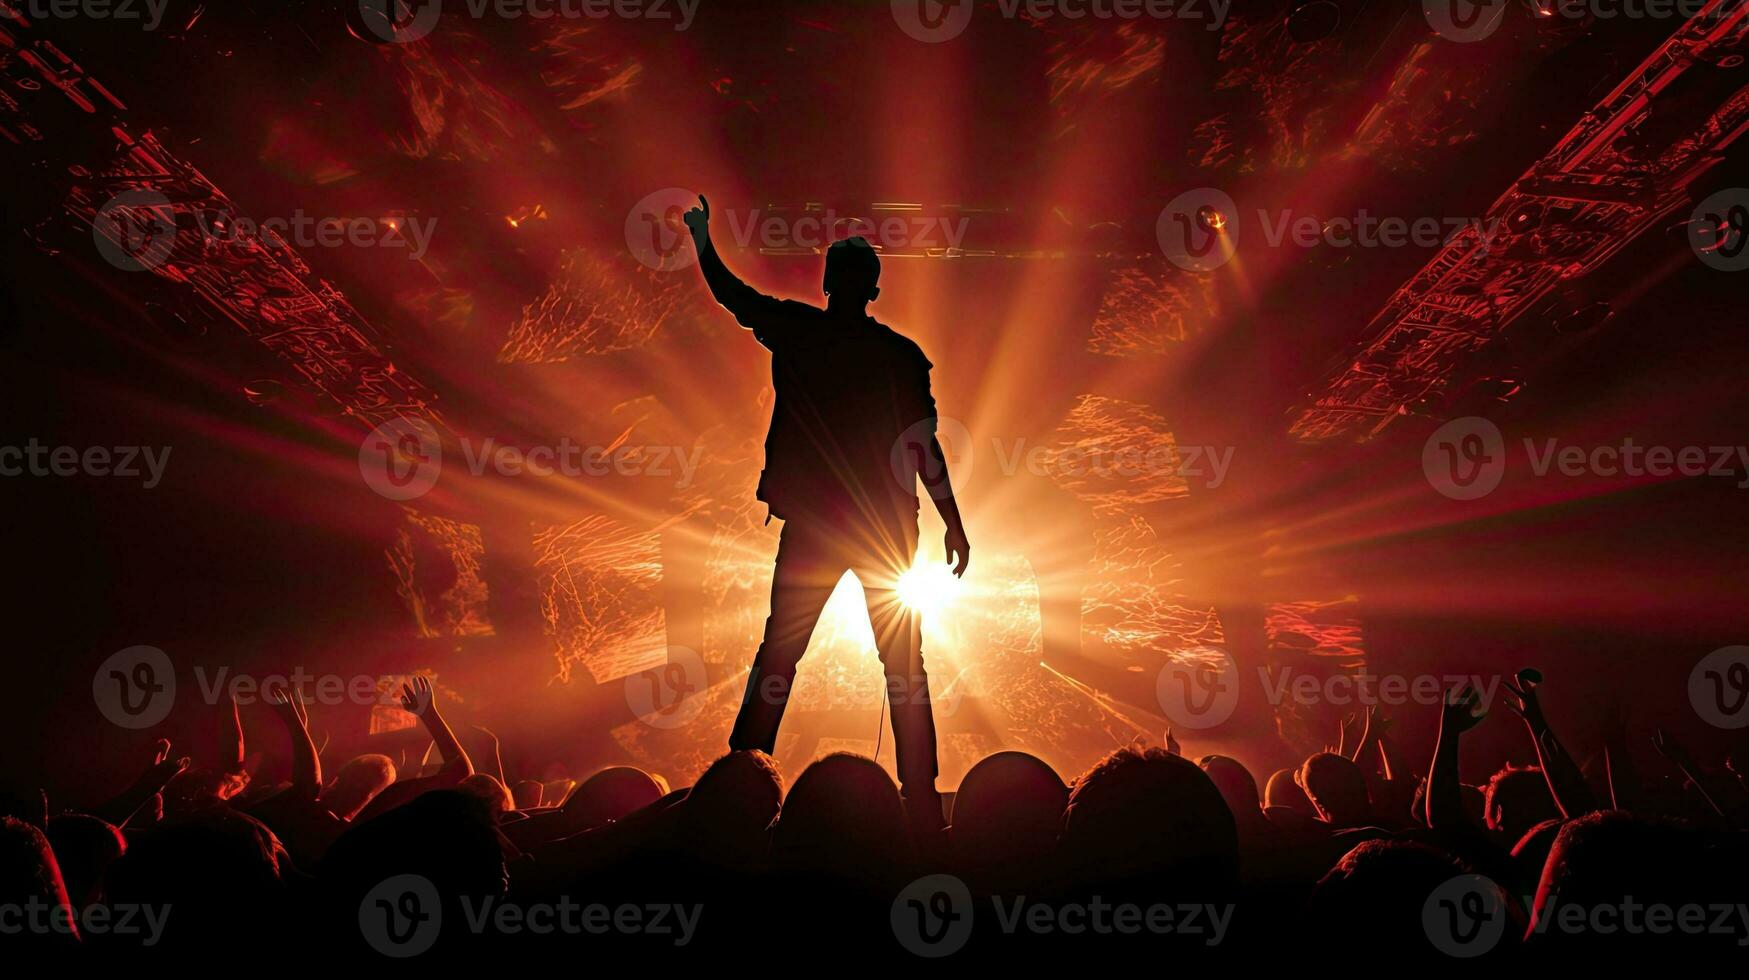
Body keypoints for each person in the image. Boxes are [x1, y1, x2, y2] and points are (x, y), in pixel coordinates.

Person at [682, 195, 970, 831]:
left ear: (828, 284)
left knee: (779, 654)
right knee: (904, 668)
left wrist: (703, 239)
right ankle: (920, 800)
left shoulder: (800, 331)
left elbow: (732, 295)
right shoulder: (901, 357)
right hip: (887, 534)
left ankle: (741, 779)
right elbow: (923, 447)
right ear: (873, 288)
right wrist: (952, 520)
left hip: (815, 526)